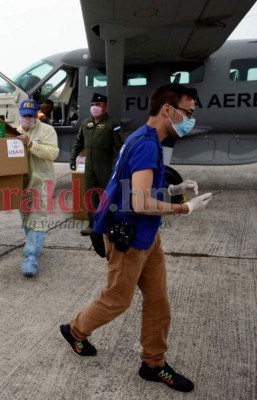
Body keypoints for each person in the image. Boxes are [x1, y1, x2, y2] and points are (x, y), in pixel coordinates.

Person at [60, 83, 215, 393]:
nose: (191, 120)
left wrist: (174, 189)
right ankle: (75, 330)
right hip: (128, 237)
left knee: (158, 302)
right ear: (167, 110)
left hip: (147, 234)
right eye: (188, 113)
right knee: (117, 300)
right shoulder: (146, 144)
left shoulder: (145, 140)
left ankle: (153, 364)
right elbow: (139, 202)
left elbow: (134, 188)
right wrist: (183, 208)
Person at [70, 93, 125, 236]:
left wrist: (116, 165)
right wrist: (73, 158)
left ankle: (109, 224)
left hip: (106, 166)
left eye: (98, 105)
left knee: (108, 195)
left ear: (105, 107)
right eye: (93, 104)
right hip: (90, 166)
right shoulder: (86, 123)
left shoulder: (113, 124)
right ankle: (92, 225)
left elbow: (119, 147)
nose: (94, 107)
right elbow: (78, 142)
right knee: (90, 195)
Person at [15, 99, 59, 277]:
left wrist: (31, 144)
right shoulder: (13, 131)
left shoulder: (47, 130)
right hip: (22, 184)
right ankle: (32, 243)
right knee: (26, 217)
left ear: (36, 115)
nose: (27, 118)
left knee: (38, 218)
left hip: (42, 182)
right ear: (19, 115)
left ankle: (32, 256)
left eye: (30, 115)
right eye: (24, 115)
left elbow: (52, 153)